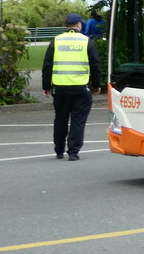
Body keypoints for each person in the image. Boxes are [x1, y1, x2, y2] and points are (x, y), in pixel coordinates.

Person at [42, 12, 102, 161]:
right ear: (80, 25)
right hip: (80, 87)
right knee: (78, 120)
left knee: (60, 119)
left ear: (66, 25)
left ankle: (59, 150)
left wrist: (46, 86)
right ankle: (73, 152)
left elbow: (47, 65)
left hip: (60, 87)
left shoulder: (56, 41)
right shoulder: (86, 41)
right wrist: (96, 85)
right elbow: (95, 65)